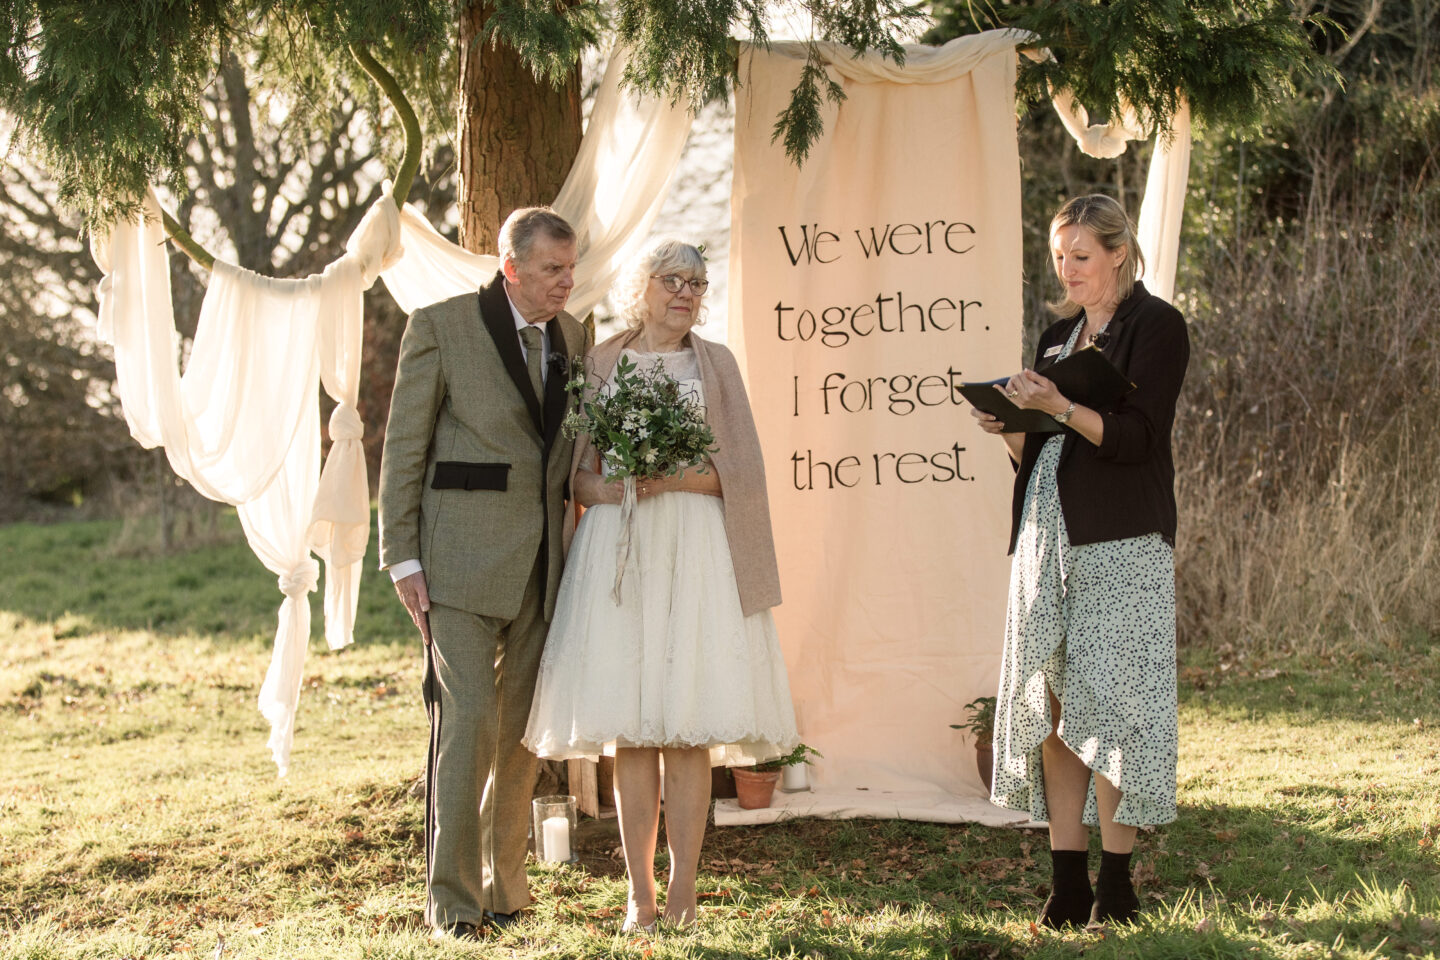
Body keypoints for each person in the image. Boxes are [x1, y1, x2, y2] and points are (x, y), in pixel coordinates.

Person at [523, 239, 798, 931]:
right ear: (641, 286)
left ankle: (683, 891)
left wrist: (670, 479)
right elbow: (576, 477)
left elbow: (741, 476)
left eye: (698, 283)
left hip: (697, 552)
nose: (686, 292)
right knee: (633, 733)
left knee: (686, 730)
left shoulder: (717, 366)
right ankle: (638, 894)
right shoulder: (601, 362)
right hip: (619, 548)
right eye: (673, 279)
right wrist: (616, 486)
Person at [970, 194, 1189, 928]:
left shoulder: (1157, 328)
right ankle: (1067, 882)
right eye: (1060, 256)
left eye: (1081, 257)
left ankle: (1118, 884)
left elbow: (1136, 440)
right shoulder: (1057, 336)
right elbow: (1034, 460)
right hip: (1047, 532)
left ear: (1119, 254)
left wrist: (1061, 407)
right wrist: (1009, 423)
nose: (1067, 270)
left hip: (1122, 538)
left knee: (1115, 707)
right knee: (1059, 706)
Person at [378, 207, 586, 941]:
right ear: (510, 267)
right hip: (454, 563)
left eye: (571, 268)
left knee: (521, 735)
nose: (567, 282)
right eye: (552, 270)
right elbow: (403, 447)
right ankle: (454, 904)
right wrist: (399, 551)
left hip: (541, 565)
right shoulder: (440, 327)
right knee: (465, 726)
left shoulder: (574, 337)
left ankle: (504, 888)